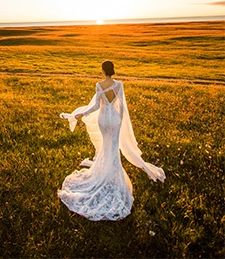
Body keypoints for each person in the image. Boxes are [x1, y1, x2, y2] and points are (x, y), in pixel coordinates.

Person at [58, 61, 165, 221]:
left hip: (103, 120)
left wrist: (82, 114)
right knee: (113, 148)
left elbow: (95, 106)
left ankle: (103, 173)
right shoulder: (119, 85)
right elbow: (121, 106)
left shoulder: (99, 85)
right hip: (114, 119)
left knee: (105, 146)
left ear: (103, 70)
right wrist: (120, 121)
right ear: (112, 70)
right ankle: (112, 175)